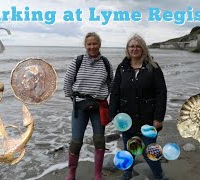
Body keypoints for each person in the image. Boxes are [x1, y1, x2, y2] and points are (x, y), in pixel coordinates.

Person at [109, 34, 167, 180]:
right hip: (126, 118)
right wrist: (113, 114)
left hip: (148, 118)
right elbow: (115, 92)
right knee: (129, 150)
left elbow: (161, 93)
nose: (134, 49)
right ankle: (127, 173)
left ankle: (159, 176)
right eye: (131, 46)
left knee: (150, 152)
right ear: (127, 49)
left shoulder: (153, 67)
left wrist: (158, 118)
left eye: (137, 46)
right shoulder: (122, 68)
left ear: (143, 48)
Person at [63, 32, 114, 180]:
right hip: (80, 107)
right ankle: (71, 173)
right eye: (89, 44)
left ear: (99, 44)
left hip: (99, 107)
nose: (92, 47)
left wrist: (103, 96)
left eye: (94, 43)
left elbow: (111, 83)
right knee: (76, 141)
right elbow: (67, 83)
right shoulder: (77, 61)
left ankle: (97, 174)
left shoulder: (105, 63)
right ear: (85, 45)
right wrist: (75, 99)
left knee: (99, 140)